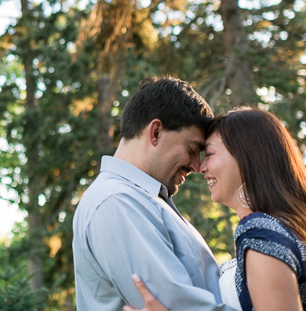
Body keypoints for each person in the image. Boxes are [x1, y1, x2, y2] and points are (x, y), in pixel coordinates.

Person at [124, 107, 306, 311]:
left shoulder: (260, 231)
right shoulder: (293, 229)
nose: (201, 167)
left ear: (247, 157)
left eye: (210, 154)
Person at [72, 76, 234, 311]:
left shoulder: (143, 199)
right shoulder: (117, 202)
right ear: (156, 132)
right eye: (192, 150)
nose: (197, 167)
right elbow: (181, 307)